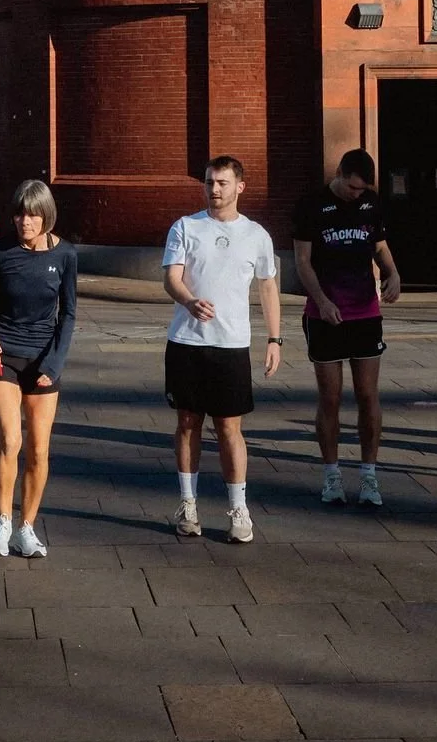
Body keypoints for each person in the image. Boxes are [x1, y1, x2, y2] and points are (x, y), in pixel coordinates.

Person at [162, 156, 281, 544]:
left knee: (230, 427)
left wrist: (274, 338)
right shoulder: (185, 227)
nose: (214, 189)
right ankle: (188, 504)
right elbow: (171, 278)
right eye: (210, 182)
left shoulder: (256, 235)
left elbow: (268, 286)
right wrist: (189, 301)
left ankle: (238, 508)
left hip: (231, 345)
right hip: (187, 342)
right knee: (187, 423)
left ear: (239, 187)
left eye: (222, 183)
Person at [293, 148, 401, 508]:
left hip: (365, 312)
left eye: (361, 190)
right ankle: (332, 473)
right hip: (325, 313)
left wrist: (393, 273)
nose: (356, 194)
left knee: (368, 394)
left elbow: (380, 246)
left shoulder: (371, 204)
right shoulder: (311, 205)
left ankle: (369, 474)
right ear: (338, 173)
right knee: (331, 397)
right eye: (352, 187)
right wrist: (322, 301)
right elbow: (302, 261)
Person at [0, 178, 77, 559]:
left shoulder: (65, 255)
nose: (24, 222)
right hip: (4, 354)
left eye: (32, 215)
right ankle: (3, 522)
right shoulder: (0, 251)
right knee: (10, 440)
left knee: (38, 449)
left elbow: (68, 314)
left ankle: (26, 527)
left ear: (46, 216)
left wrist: (55, 362)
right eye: (19, 215)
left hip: (44, 358)